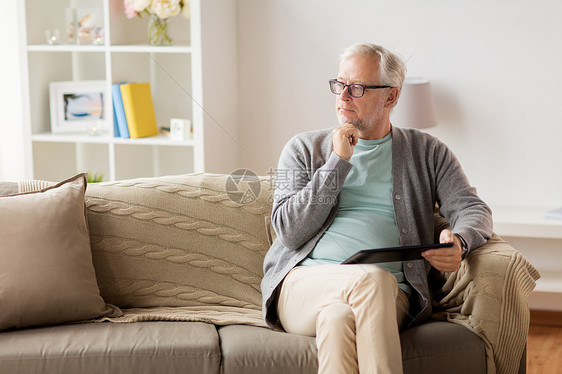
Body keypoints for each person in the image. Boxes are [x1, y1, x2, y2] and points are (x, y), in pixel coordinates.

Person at [261, 42, 493, 374]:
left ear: (391, 97)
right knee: (370, 280)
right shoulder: (303, 148)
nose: (343, 96)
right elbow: (288, 230)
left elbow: (472, 207)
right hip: (304, 285)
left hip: (390, 295)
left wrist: (461, 240)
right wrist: (337, 164)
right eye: (339, 84)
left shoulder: (427, 151)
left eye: (356, 88)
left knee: (338, 318)